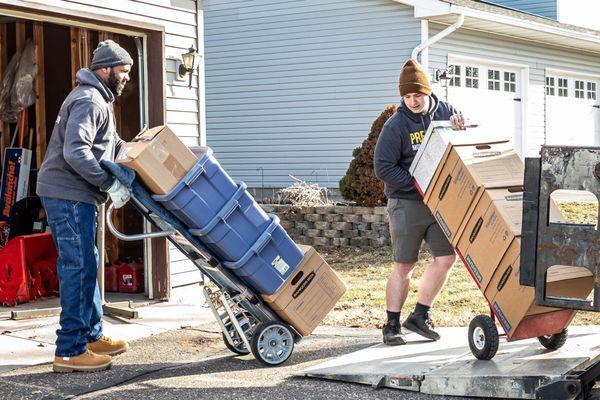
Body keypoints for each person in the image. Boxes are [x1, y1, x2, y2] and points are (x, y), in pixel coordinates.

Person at [37, 40, 134, 372]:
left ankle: (91, 335)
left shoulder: (100, 100)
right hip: (68, 195)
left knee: (87, 264)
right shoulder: (89, 100)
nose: (125, 78)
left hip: (78, 195)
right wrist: (107, 183)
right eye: (122, 71)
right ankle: (69, 350)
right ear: (105, 69)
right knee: (77, 268)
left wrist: (139, 151)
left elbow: (108, 143)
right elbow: (75, 151)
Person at [374, 59, 466, 346]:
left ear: (428, 92)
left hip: (440, 202)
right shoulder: (396, 125)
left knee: (446, 258)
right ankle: (391, 324)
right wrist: (418, 183)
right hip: (407, 203)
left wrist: (462, 130)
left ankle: (420, 315)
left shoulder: (446, 112)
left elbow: (461, 143)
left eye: (418, 95)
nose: (413, 101)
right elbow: (383, 168)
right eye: (408, 96)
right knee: (404, 266)